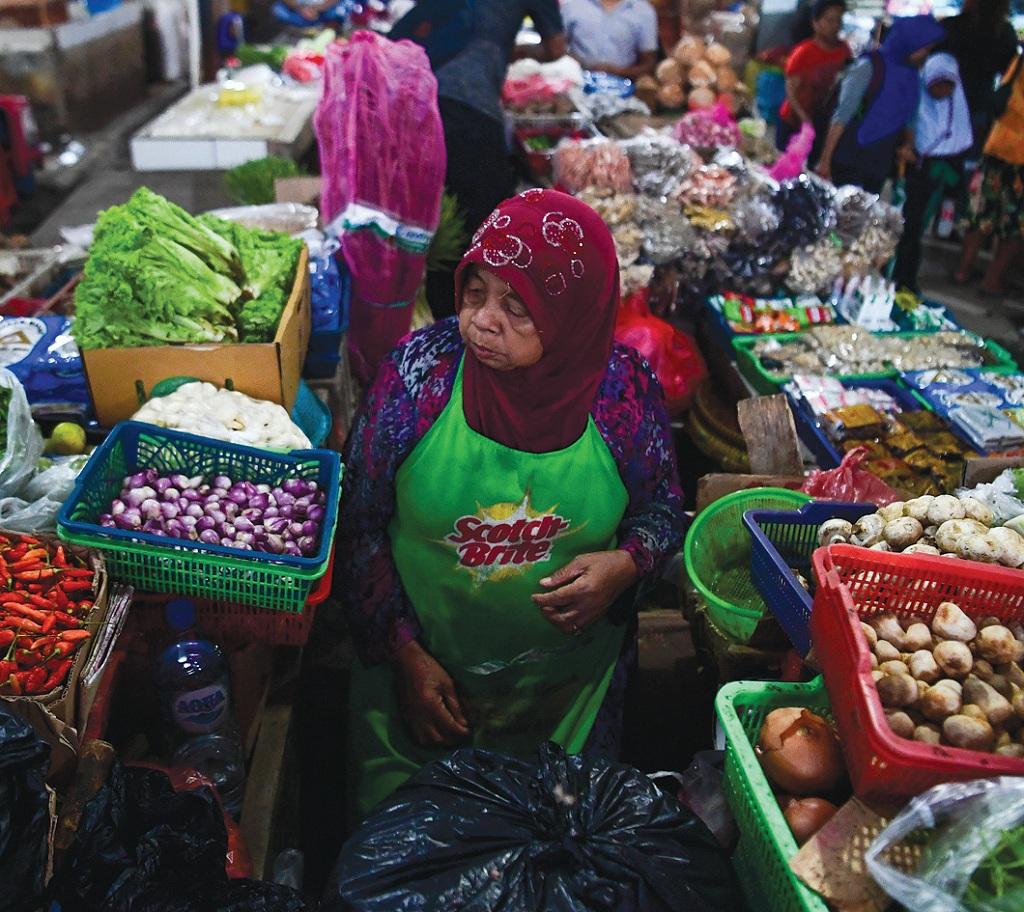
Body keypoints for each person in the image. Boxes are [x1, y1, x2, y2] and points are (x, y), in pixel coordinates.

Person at [338, 189, 686, 818]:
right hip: (422, 691)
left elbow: (662, 511)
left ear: (572, 317)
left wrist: (628, 565)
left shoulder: (623, 393)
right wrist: (403, 652)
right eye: (476, 292)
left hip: (568, 704)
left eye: (517, 308)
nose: (482, 321)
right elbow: (357, 527)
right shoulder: (417, 378)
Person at [419, 1, 566, 319]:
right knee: (476, 220)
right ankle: (460, 323)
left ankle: (440, 321)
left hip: (419, 96)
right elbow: (556, 48)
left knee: (433, 215)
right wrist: (513, 49)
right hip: (471, 107)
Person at [816, 15, 945, 193]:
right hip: (848, 158)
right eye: (924, 49)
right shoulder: (869, 66)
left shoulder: (913, 77)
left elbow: (910, 119)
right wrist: (825, 161)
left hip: (879, 164)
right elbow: (842, 114)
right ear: (910, 42)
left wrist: (907, 145)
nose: (926, 55)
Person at [892, 53, 973, 294]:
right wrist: (907, 149)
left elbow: (960, 148)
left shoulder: (957, 111)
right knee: (906, 226)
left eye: (948, 85)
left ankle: (906, 279)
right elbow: (907, 129)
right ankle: (897, 275)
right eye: (936, 84)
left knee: (915, 229)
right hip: (916, 175)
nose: (942, 91)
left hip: (937, 178)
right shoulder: (916, 100)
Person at [953, 52, 1024, 298]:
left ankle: (963, 269)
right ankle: (992, 280)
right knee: (1014, 222)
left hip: (998, 143)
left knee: (982, 210)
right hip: (1020, 156)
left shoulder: (1019, 58)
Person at [941, 0, 1018, 154]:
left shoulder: (950, 27)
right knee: (971, 162)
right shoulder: (1004, 32)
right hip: (982, 106)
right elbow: (1010, 74)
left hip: (946, 104)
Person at [776, 0, 852, 156]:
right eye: (830, 20)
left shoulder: (844, 51)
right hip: (793, 121)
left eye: (839, 20)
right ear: (816, 23)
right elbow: (791, 90)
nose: (835, 26)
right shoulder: (803, 52)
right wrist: (804, 119)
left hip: (820, 123)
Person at [561, 0, 659, 80]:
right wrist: (581, 66)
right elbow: (556, 48)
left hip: (624, 88)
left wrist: (617, 72)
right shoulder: (572, 5)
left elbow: (649, 63)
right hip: (575, 82)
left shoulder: (643, 10)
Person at [271, 0, 350, 28]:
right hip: (303, 10)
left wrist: (318, 8)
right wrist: (301, 9)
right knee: (278, 10)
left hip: (329, 7)